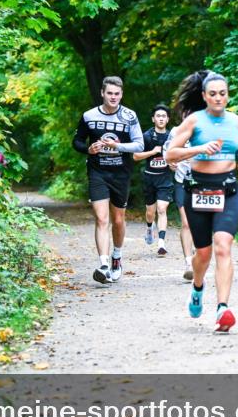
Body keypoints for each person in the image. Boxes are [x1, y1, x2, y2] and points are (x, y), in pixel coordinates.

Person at [165, 71, 238, 332]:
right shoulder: (194, 122)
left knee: (222, 247)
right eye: (213, 94)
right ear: (205, 96)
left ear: (228, 95)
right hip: (197, 191)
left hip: (228, 191)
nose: (219, 98)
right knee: (203, 254)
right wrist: (198, 149)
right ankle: (197, 287)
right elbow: (171, 153)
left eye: (223, 93)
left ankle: (223, 309)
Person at [72, 76, 144, 284]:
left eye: (117, 94)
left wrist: (117, 147)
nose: (113, 97)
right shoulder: (89, 116)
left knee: (118, 220)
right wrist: (88, 148)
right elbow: (76, 141)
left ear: (121, 95)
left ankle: (116, 257)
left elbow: (139, 145)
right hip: (98, 172)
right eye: (110, 93)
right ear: (102, 93)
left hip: (121, 174)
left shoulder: (129, 116)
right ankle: (103, 264)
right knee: (101, 218)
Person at [133, 104, 174, 256]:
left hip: (165, 178)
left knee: (162, 209)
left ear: (168, 119)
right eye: (158, 116)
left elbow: (178, 155)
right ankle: (150, 228)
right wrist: (153, 151)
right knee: (150, 212)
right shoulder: (146, 136)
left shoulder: (172, 137)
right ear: (153, 119)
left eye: (164, 116)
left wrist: (174, 162)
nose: (161, 118)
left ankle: (161, 243)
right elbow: (135, 156)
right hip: (149, 177)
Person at [163, 106, 196, 282]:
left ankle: (199, 256)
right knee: (186, 223)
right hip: (182, 182)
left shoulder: (207, 131)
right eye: (186, 112)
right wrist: (170, 163)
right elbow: (167, 152)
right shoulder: (176, 131)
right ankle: (188, 264)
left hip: (204, 184)